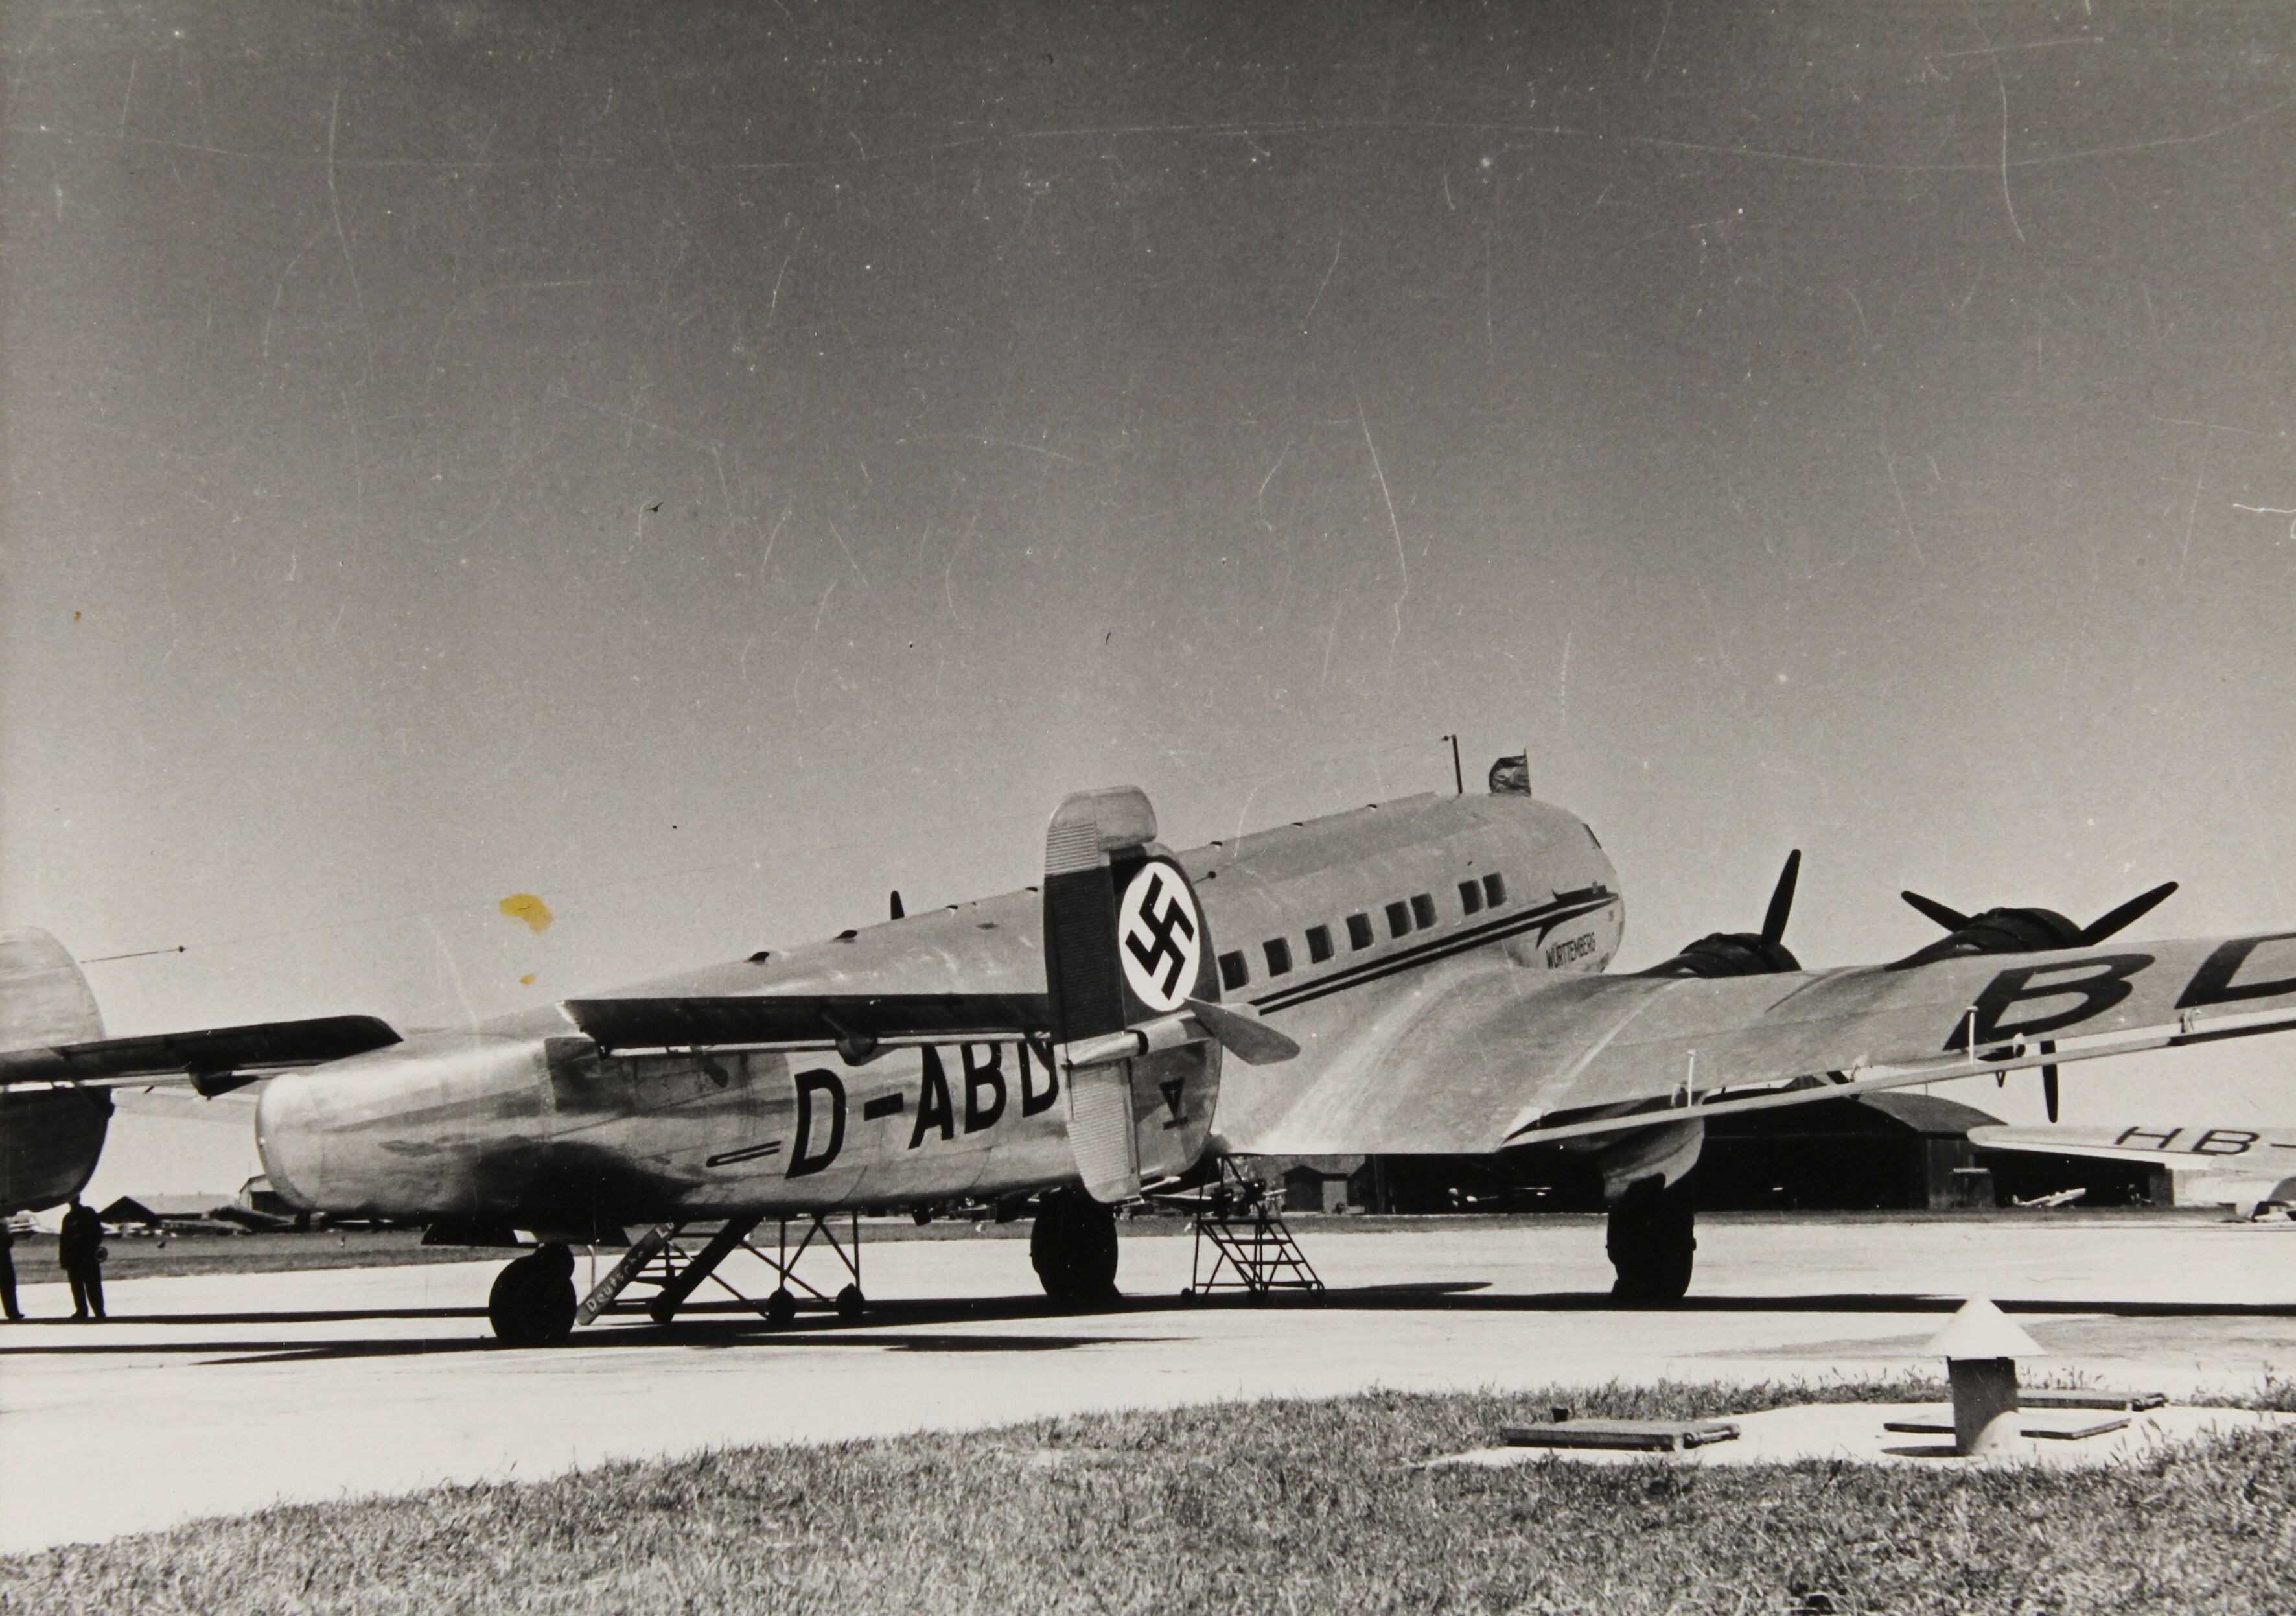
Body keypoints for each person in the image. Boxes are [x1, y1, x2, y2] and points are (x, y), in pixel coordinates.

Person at [58, 1197, 105, 1321]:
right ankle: (86, 1311)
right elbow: (63, 1240)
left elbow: (97, 1233)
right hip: (77, 1257)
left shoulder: (86, 1213)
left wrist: (88, 1244)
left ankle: (97, 1311)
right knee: (80, 1286)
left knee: (91, 1285)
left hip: (86, 1256)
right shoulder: (68, 1218)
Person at [0, 1217, 20, 1320]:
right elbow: (9, 1242)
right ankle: (12, 1312)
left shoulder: (3, 1222)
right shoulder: (3, 1222)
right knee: (8, 1286)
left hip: (4, 1259)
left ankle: (12, 1312)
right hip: (4, 1260)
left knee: (8, 1286)